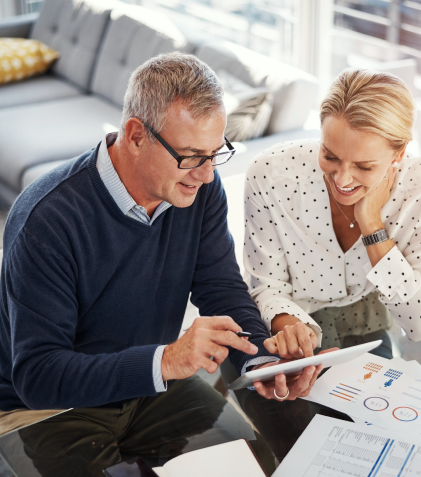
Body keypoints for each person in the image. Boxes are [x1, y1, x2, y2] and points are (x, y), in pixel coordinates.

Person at [0, 53, 322, 476]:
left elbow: (222, 289)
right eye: (190, 155)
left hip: (150, 386)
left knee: (250, 465)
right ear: (135, 135)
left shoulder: (197, 189)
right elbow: (39, 375)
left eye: (214, 154)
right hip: (47, 407)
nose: (206, 175)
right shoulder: (48, 219)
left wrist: (262, 361)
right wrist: (167, 361)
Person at [244, 68, 421, 360]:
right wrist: (290, 327)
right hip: (282, 325)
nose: (341, 180)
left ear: (399, 153)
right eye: (330, 156)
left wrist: (372, 226)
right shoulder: (270, 174)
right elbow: (266, 286)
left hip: (367, 324)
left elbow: (420, 323)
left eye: (364, 167)